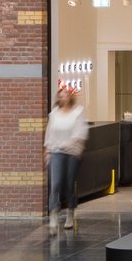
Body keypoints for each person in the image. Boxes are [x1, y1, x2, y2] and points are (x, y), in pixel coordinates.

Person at [43, 83, 89, 234]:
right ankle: (54, 215)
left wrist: (70, 144)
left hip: (72, 153)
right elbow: (49, 133)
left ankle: (70, 212)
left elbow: (80, 133)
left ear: (70, 97)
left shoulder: (78, 112)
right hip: (56, 151)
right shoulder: (54, 114)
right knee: (55, 183)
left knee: (69, 184)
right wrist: (48, 151)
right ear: (59, 98)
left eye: (66, 95)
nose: (64, 97)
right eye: (61, 95)